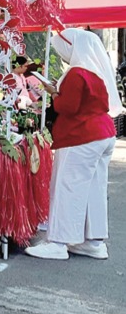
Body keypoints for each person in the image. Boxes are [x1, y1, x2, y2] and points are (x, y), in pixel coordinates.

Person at [25, 29, 123, 260]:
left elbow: (67, 107)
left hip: (81, 135)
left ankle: (58, 241)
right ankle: (93, 241)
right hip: (103, 133)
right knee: (94, 189)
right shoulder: (96, 70)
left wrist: (54, 94)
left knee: (67, 186)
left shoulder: (77, 72)